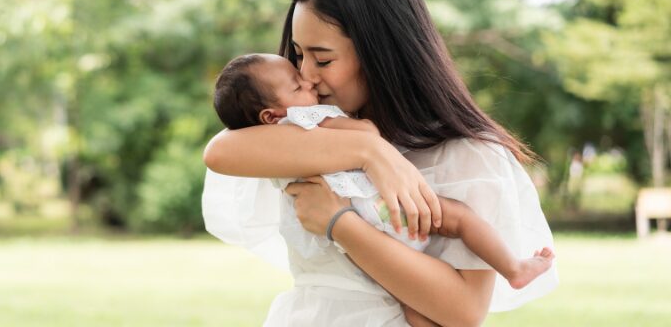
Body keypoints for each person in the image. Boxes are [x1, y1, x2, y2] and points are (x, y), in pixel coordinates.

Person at [203, 0, 558, 326]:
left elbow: (463, 312)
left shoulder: (467, 156)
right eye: (297, 54)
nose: (306, 74)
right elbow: (220, 152)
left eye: (322, 59)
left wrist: (339, 222)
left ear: (380, 55)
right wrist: (370, 150)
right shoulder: (309, 135)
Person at [210, 52, 554, 290]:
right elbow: (367, 135)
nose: (309, 82)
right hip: (383, 209)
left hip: (362, 226)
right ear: (271, 116)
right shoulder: (305, 118)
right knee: (460, 218)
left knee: (400, 295)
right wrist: (364, 137)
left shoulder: (269, 149)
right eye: (297, 85)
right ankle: (513, 267)